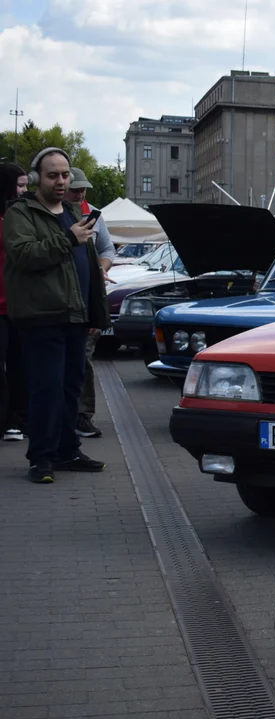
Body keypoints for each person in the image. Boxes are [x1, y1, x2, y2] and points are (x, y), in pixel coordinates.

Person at [2, 147, 108, 483]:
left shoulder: (74, 211)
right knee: (46, 388)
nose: (61, 181)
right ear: (36, 179)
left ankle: (67, 450)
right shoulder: (21, 213)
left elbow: (89, 266)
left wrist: (95, 314)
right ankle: (41, 458)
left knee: (70, 388)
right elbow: (24, 255)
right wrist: (68, 238)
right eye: (53, 175)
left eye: (64, 174)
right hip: (42, 315)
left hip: (75, 316)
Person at [66, 167, 116, 439]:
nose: (81, 193)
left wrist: (101, 267)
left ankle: (82, 415)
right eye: (76, 189)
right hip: (60, 301)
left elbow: (108, 249)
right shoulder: (50, 216)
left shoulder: (94, 214)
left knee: (84, 358)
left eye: (83, 188)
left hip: (89, 299)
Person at [0, 162, 29, 443]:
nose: (24, 191)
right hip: (1, 306)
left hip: (20, 304)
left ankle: (17, 420)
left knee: (20, 365)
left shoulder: (24, 217)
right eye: (20, 185)